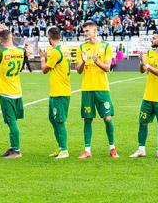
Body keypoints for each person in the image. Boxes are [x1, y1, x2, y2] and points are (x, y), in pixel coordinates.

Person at [76, 21, 118, 159]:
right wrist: (82, 61)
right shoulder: (82, 47)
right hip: (87, 88)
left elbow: (107, 68)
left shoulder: (106, 46)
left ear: (95, 31)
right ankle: (87, 150)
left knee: (107, 118)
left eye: (87, 31)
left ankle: (112, 148)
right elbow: (78, 70)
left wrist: (96, 61)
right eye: (84, 31)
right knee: (87, 119)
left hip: (102, 88)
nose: (85, 33)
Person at [129, 31, 158, 159]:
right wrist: (141, 62)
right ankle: (141, 149)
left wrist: (147, 64)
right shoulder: (149, 53)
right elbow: (142, 71)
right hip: (148, 96)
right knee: (142, 122)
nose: (151, 40)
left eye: (154, 38)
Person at [0, 24, 29, 159]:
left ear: (0, 40)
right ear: (12, 37)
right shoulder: (20, 52)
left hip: (6, 92)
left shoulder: (2, 53)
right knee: (13, 121)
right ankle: (12, 147)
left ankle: (16, 150)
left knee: (11, 122)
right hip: (17, 90)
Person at [40, 26, 72, 159]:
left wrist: (43, 57)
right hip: (59, 90)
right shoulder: (65, 49)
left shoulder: (55, 52)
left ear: (49, 37)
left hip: (60, 91)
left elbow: (44, 70)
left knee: (59, 121)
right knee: (52, 119)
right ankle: (60, 148)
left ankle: (64, 150)